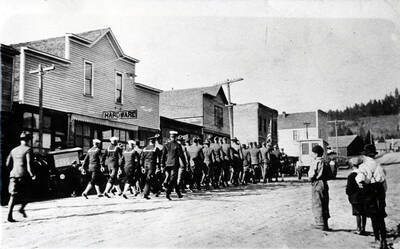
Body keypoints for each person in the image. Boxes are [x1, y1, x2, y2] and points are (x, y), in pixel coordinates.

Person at [356, 144, 388, 249]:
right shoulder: (379, 166)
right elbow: (384, 184)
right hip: (379, 191)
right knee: (381, 217)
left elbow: (359, 179)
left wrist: (363, 184)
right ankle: (384, 241)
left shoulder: (363, 166)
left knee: (374, 218)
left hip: (369, 192)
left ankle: (377, 240)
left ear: (365, 156)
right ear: (374, 155)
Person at [6, 132, 36, 222]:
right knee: (28, 194)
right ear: (28, 140)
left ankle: (9, 216)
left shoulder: (13, 150)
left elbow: (7, 164)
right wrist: (32, 174)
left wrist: (13, 170)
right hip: (23, 175)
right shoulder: (28, 149)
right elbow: (29, 165)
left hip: (13, 174)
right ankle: (21, 208)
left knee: (13, 195)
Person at [308, 145, 330, 231]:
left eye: (313, 153)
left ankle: (320, 223)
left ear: (316, 154)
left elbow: (312, 174)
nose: (312, 155)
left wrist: (310, 179)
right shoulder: (325, 162)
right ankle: (325, 223)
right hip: (324, 183)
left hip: (317, 183)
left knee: (317, 203)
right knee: (325, 202)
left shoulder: (316, 162)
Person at [161, 131, 187, 200]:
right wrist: (185, 164)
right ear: (175, 137)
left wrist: (162, 164)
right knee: (173, 179)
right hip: (174, 164)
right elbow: (181, 156)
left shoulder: (166, 145)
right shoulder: (177, 145)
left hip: (167, 164)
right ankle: (168, 192)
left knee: (173, 179)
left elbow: (163, 156)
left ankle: (178, 193)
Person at [346, 157, 367, 235]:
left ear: (352, 165)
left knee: (357, 213)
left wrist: (349, 195)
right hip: (364, 196)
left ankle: (358, 228)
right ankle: (363, 228)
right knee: (364, 213)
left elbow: (349, 189)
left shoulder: (351, 175)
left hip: (355, 197)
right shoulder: (364, 173)